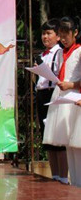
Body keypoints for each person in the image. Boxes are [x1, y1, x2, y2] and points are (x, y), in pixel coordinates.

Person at [43, 16, 81, 185]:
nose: (64, 39)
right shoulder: (60, 53)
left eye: (66, 35)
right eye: (61, 35)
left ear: (75, 33)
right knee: (67, 143)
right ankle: (73, 182)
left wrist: (71, 84)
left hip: (75, 97)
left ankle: (78, 182)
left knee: (76, 141)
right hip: (62, 96)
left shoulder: (79, 51)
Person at [35, 19, 65, 182]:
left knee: (57, 136)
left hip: (53, 93)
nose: (45, 37)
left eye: (49, 33)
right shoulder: (42, 55)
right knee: (47, 136)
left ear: (58, 36)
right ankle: (54, 175)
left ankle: (63, 176)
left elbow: (59, 75)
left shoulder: (59, 53)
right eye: (43, 34)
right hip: (42, 94)